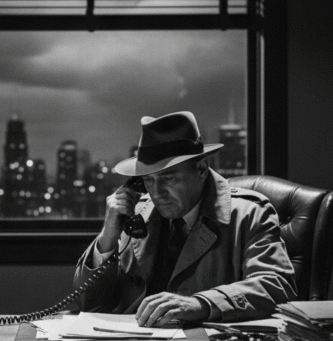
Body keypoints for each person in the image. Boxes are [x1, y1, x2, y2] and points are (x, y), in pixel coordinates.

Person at [73, 111, 297, 327]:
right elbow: (88, 302)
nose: (156, 192)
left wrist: (201, 304)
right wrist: (108, 238)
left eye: (168, 178)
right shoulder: (137, 214)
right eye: (148, 181)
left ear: (201, 169)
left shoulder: (251, 213)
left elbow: (275, 285)